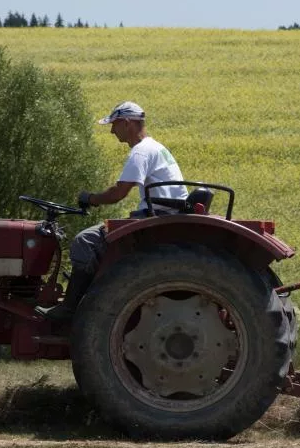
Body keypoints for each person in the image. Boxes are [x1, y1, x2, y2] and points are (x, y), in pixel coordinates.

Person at [35, 101, 188, 322]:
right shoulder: (156, 147)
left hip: (156, 216)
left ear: (127, 123)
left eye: (114, 125)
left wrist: (90, 198)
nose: (112, 131)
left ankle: (69, 309)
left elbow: (119, 193)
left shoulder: (141, 151)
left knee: (85, 241)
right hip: (163, 212)